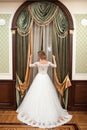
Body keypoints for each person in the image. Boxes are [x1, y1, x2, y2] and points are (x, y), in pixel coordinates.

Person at [16, 50, 72, 128]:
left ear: (39, 56)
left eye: (38, 55)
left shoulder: (37, 63)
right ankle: (47, 111)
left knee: (37, 95)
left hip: (39, 78)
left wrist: (30, 58)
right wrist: (54, 58)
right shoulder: (48, 63)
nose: (38, 56)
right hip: (45, 78)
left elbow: (29, 65)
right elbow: (55, 66)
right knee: (47, 96)